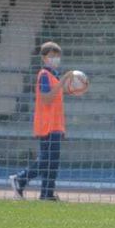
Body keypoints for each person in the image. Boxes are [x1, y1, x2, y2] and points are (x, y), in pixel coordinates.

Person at [10, 41, 75, 201]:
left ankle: (47, 194)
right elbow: (46, 99)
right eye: (52, 56)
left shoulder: (54, 75)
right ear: (44, 58)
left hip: (56, 125)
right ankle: (20, 179)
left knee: (52, 161)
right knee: (47, 159)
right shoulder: (44, 75)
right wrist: (63, 81)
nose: (55, 59)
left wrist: (75, 87)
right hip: (47, 125)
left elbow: (57, 94)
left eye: (57, 56)